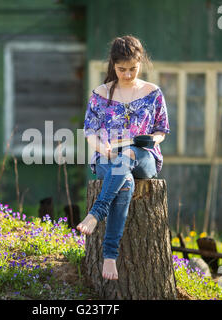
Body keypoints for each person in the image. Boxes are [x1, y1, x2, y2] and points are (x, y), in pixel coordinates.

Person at [76, 35, 170, 280]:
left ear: (140, 63)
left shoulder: (153, 92)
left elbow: (161, 129)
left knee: (129, 154)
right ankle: (110, 255)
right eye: (121, 69)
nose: (127, 74)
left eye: (133, 69)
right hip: (109, 155)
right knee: (125, 182)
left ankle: (96, 214)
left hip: (143, 156)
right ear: (113, 65)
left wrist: (152, 140)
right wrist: (103, 148)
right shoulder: (101, 94)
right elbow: (90, 133)